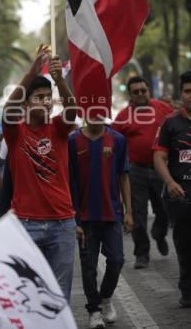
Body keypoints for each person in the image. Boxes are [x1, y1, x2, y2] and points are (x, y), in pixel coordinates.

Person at [1, 44, 77, 301]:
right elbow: (8, 110)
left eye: (48, 97)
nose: (45, 101)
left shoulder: (58, 128)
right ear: (25, 103)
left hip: (63, 224)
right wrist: (32, 71)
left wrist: (59, 81)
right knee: (30, 296)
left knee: (59, 296)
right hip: (26, 224)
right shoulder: (15, 131)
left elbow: (72, 111)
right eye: (38, 97)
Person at [69, 118, 133, 328]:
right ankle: (94, 310)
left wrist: (128, 212)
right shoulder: (73, 140)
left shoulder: (117, 139)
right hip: (84, 217)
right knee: (88, 267)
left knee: (116, 260)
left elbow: (123, 176)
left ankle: (105, 299)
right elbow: (67, 179)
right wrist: (72, 216)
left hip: (112, 213)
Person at [112, 76, 172, 269]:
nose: (140, 94)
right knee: (137, 213)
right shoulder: (123, 116)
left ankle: (159, 234)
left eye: (143, 90)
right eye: (136, 92)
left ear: (148, 91)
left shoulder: (163, 108)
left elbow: (176, 127)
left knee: (164, 209)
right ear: (130, 95)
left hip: (160, 168)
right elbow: (112, 140)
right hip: (135, 171)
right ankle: (142, 254)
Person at [154, 71, 191, 308]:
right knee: (186, 247)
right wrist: (169, 182)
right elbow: (159, 157)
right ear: (181, 94)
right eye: (188, 91)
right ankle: (187, 291)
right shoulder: (170, 122)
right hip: (182, 197)